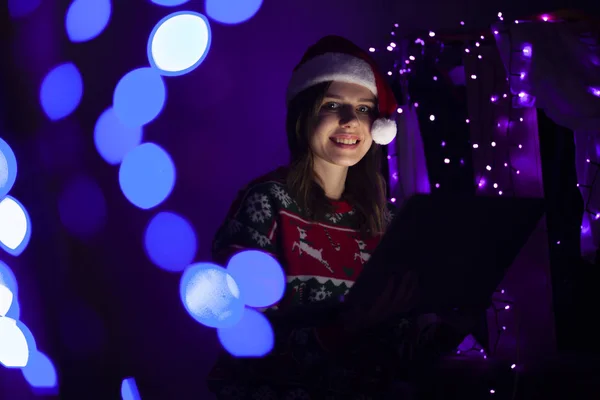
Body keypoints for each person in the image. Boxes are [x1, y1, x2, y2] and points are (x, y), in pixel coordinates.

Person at [207, 35, 468, 400]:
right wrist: (343, 328)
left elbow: (403, 352)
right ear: (304, 115)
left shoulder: (387, 220)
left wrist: (454, 319)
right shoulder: (265, 202)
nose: (350, 121)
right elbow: (242, 336)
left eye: (364, 109)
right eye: (333, 105)